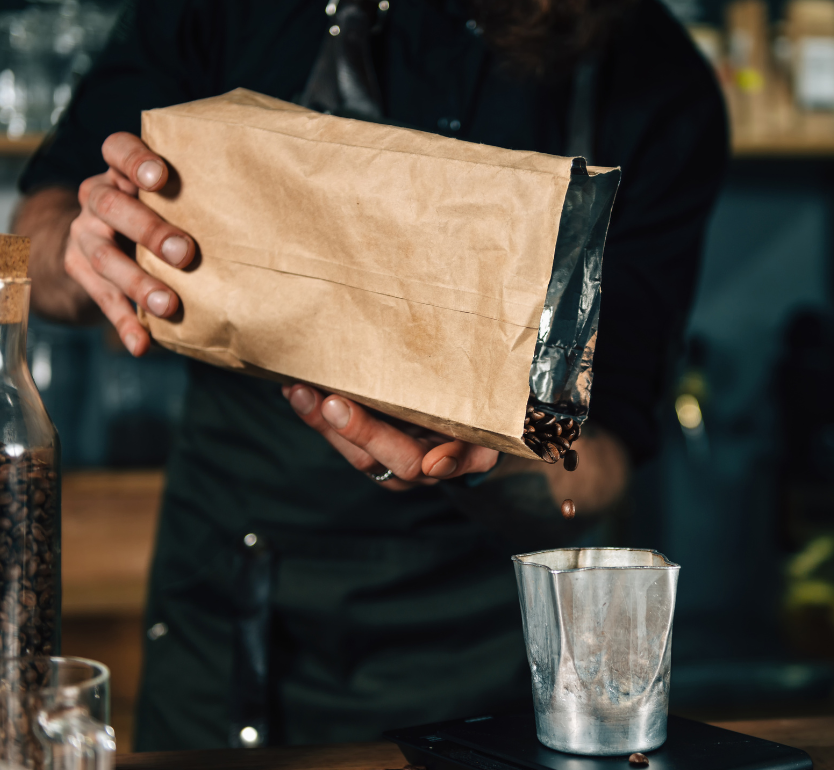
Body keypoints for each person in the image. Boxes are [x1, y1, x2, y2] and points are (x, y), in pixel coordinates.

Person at [14, 0, 727, 752]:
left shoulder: (654, 73)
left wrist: (485, 457)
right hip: (230, 610)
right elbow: (31, 231)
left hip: (490, 637)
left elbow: (600, 454)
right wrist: (81, 243)